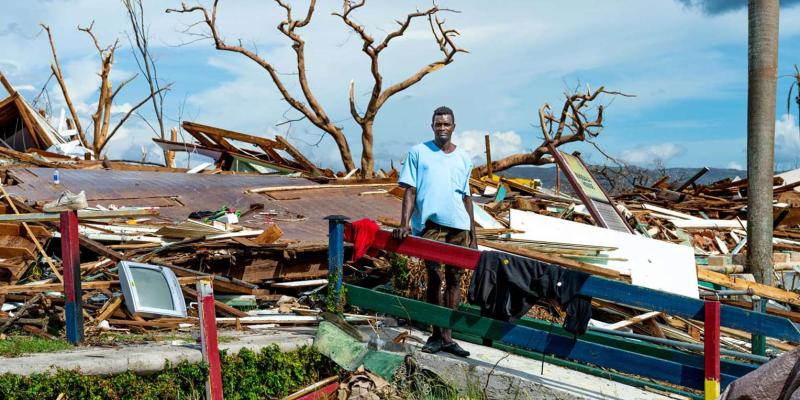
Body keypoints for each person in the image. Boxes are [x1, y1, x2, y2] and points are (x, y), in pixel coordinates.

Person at [393, 106, 476, 357]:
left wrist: (474, 235)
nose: (442, 128)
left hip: (459, 226)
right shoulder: (419, 153)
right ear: (432, 126)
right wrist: (404, 223)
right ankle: (435, 334)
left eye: (446, 124)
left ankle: (448, 337)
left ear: (454, 126)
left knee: (454, 280)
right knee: (434, 276)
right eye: (438, 124)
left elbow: (467, 197)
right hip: (431, 225)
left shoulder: (464, 158)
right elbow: (409, 190)